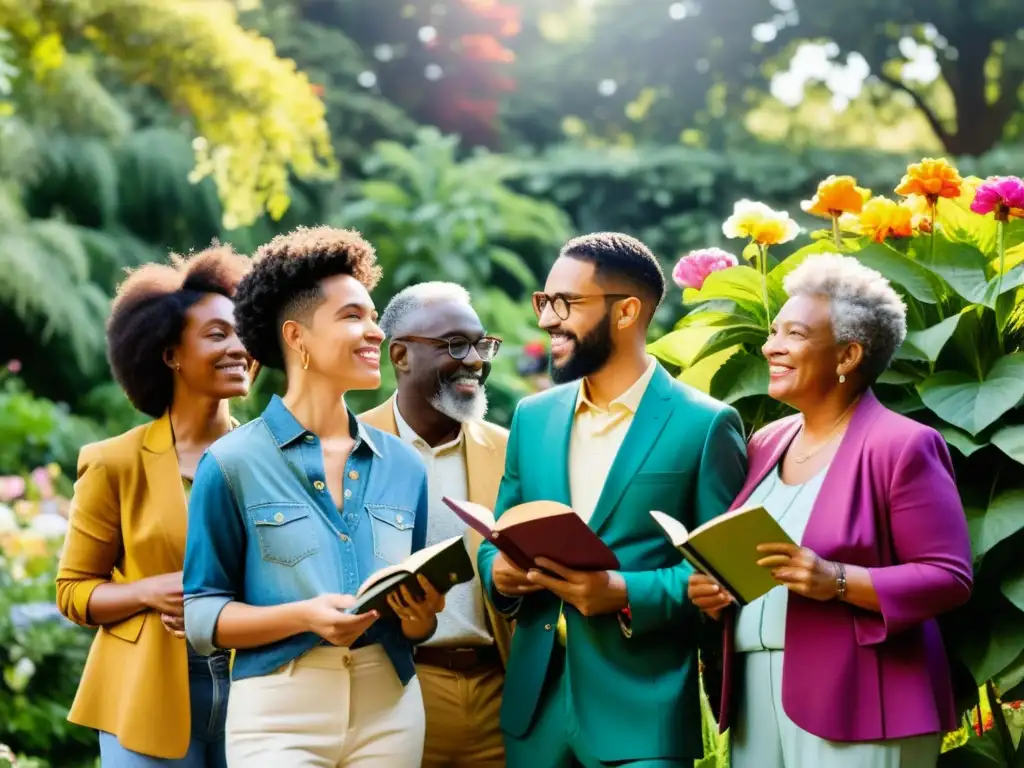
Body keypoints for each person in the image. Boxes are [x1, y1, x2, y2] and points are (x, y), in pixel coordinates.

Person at [688, 253, 973, 768]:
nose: (770, 346)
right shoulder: (766, 441)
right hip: (757, 691)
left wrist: (836, 579)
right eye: (774, 331)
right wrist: (718, 591)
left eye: (793, 335)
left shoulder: (904, 445)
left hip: (864, 698)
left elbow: (948, 577)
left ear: (847, 356)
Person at [477, 232, 748, 768]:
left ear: (626, 312)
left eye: (566, 303)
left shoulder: (706, 424)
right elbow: (499, 533)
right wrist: (499, 573)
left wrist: (623, 592)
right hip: (535, 711)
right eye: (545, 301)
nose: (547, 319)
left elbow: (725, 577)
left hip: (643, 712)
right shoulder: (532, 419)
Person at [182, 227, 444, 768]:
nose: (375, 332)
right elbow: (202, 614)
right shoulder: (231, 464)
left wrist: (421, 615)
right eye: (353, 316)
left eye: (374, 316)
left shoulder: (404, 466)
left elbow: (418, 626)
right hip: (278, 710)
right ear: (297, 337)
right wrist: (305, 616)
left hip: (390, 708)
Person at [56, 245, 253, 766]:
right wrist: (148, 590)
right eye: (217, 334)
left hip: (256, 692)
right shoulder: (114, 463)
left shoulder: (270, 460)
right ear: (170, 355)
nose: (239, 348)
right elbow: (73, 592)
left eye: (243, 333)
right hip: (145, 694)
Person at [360, 282, 513, 768]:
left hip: (500, 692)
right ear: (400, 355)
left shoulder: (513, 450)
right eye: (454, 345)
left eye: (480, 344)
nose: (474, 360)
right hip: (391, 686)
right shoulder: (348, 448)